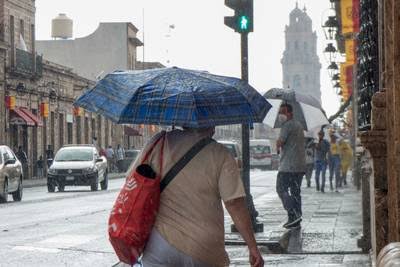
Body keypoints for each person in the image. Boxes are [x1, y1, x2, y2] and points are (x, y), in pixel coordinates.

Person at [138, 127, 264, 267]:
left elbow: (136, 183)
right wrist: (252, 247)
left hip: (159, 244)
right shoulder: (219, 153)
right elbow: (234, 203)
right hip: (203, 247)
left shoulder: (157, 144)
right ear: (211, 124)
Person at [276, 103, 306, 229]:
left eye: (283, 112)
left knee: (280, 188)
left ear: (290, 113)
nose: (281, 115)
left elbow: (280, 142)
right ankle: (297, 216)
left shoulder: (287, 126)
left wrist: (278, 143)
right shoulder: (299, 125)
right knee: (295, 191)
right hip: (299, 166)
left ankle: (292, 214)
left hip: (288, 166)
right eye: (280, 112)